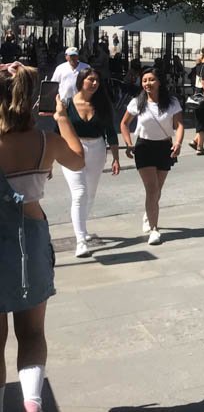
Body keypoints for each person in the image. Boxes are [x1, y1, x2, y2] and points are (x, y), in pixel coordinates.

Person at [0, 62, 85, 412]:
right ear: (35, 100)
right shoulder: (45, 142)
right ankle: (32, 404)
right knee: (32, 333)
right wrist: (62, 116)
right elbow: (78, 160)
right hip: (29, 241)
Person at [119, 68, 184, 246]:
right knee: (152, 189)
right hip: (144, 147)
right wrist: (128, 143)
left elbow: (179, 125)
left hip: (165, 147)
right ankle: (154, 229)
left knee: (157, 189)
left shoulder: (171, 102)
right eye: (144, 80)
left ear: (159, 82)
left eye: (151, 80)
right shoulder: (137, 102)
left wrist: (178, 143)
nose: (147, 83)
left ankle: (148, 215)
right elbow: (124, 124)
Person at [62, 69, 121, 258]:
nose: (94, 83)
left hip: (97, 149)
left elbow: (111, 132)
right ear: (81, 81)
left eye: (97, 80)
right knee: (79, 193)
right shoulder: (67, 104)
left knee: (90, 194)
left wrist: (116, 157)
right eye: (91, 79)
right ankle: (81, 241)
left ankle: (82, 225)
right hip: (72, 149)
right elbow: (57, 131)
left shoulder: (102, 104)